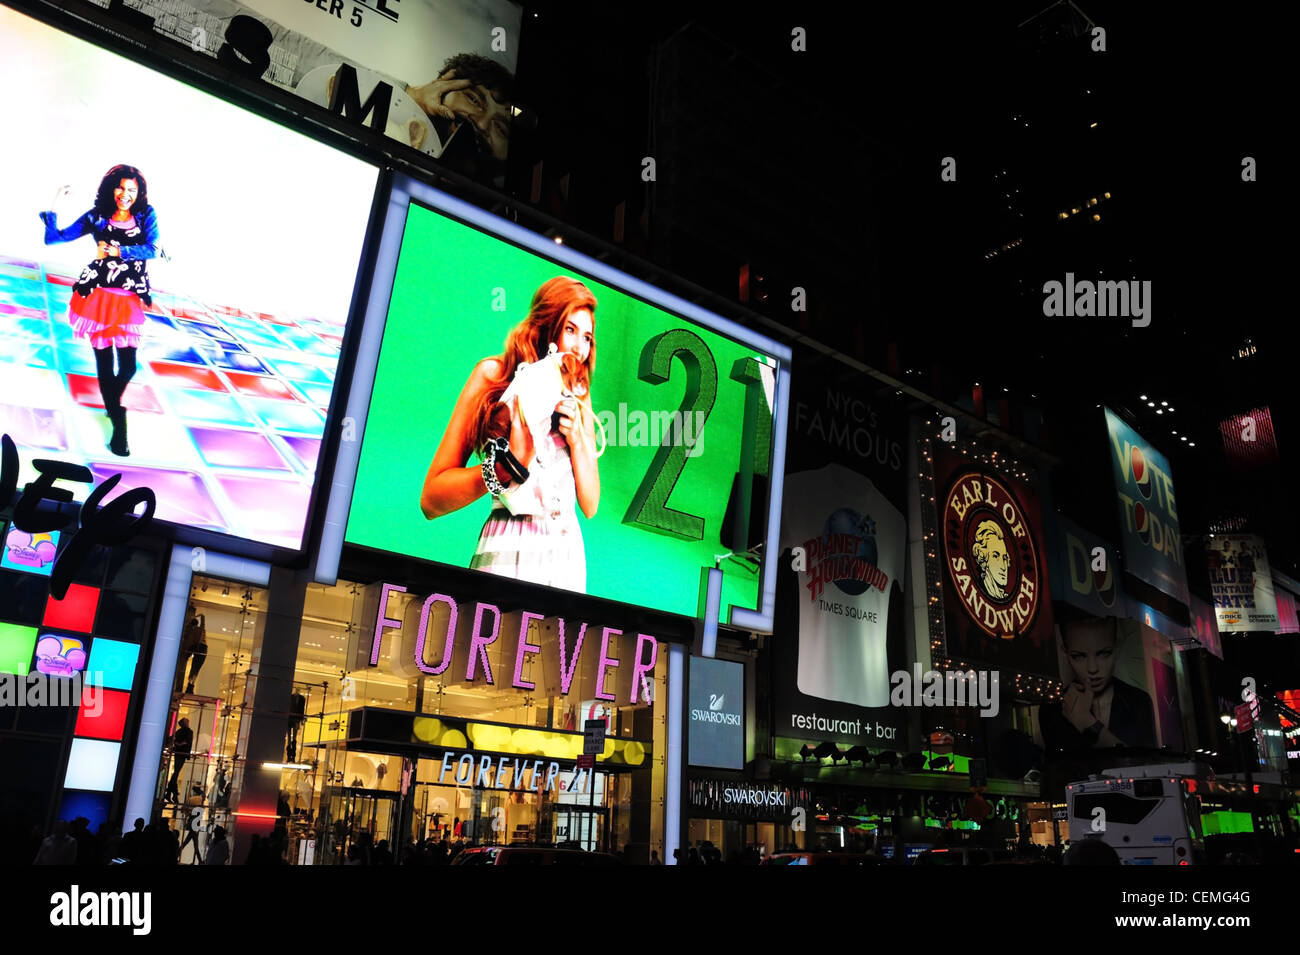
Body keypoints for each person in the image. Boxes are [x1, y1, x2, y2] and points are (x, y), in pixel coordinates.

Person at [420, 277, 601, 592]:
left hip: (565, 561)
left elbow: (590, 504)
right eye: (570, 329)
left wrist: (576, 440)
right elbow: (432, 499)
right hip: (506, 550)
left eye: (587, 336)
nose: (578, 346)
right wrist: (502, 471)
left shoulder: (578, 392)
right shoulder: (494, 376)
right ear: (546, 325)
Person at [39, 165, 160, 456]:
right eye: (121, 188)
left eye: (132, 189)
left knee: (128, 365)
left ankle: (111, 404)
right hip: (99, 298)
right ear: (111, 189)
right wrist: (56, 204)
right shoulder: (97, 217)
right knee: (105, 366)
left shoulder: (146, 214)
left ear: (139, 192)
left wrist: (118, 251)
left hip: (129, 297)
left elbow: (152, 249)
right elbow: (54, 238)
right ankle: (118, 419)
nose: (126, 195)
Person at [1034, 617, 1157, 751]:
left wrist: (1087, 723)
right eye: (1078, 656)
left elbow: (1144, 765)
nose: (1092, 669)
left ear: (1117, 647)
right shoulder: (1051, 710)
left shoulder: (1139, 701)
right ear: (1065, 653)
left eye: (1104, 654)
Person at [166, 717, 194, 802]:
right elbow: (187, 743)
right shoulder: (188, 731)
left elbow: (176, 741)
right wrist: (182, 744)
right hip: (183, 754)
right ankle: (172, 793)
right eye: (187, 721)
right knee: (176, 773)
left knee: (176, 773)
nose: (188, 722)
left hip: (178, 753)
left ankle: (171, 793)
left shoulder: (179, 732)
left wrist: (178, 744)